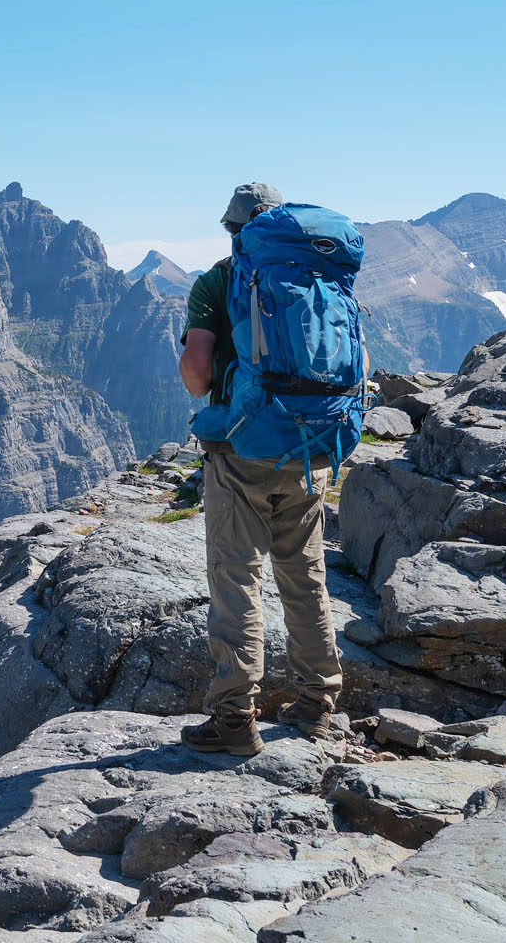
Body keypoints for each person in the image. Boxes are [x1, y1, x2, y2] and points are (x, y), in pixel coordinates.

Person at [176, 182, 345, 756]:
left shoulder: (220, 280)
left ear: (234, 228)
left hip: (242, 451)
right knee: (305, 575)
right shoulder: (324, 276)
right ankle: (319, 704)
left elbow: (199, 370)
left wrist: (211, 396)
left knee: (236, 580)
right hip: (311, 448)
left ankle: (234, 720)